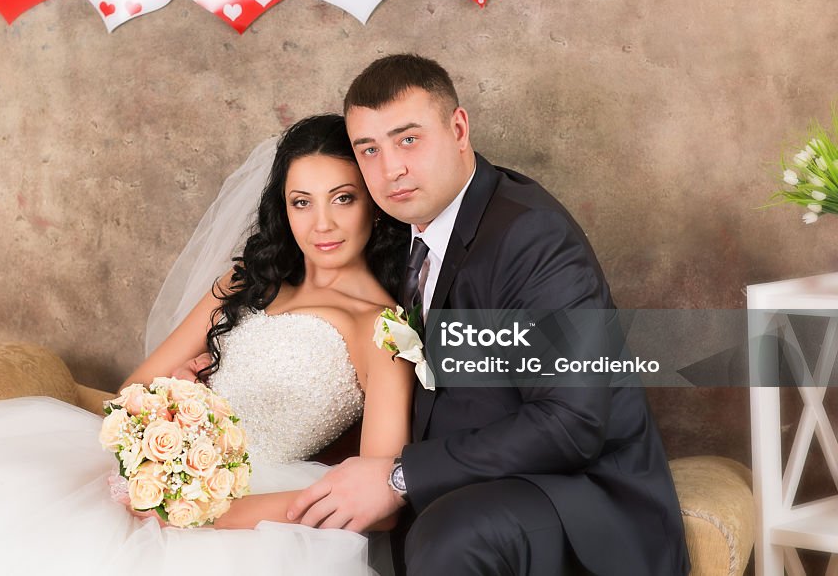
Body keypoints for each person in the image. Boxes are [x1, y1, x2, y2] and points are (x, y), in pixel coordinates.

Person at [0, 114, 414, 575]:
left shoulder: (380, 326)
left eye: (343, 198)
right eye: (301, 203)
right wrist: (170, 404)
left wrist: (202, 509)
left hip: (258, 506)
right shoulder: (243, 283)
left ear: (373, 201)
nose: (323, 224)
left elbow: (378, 493)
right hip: (147, 469)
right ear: (283, 210)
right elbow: (134, 390)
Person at [288, 55, 691, 575]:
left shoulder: (531, 236)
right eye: (370, 149)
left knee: (451, 532)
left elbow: (572, 423)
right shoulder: (401, 235)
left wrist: (398, 476)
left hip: (578, 496)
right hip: (474, 486)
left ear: (458, 129)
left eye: (408, 139)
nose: (391, 169)